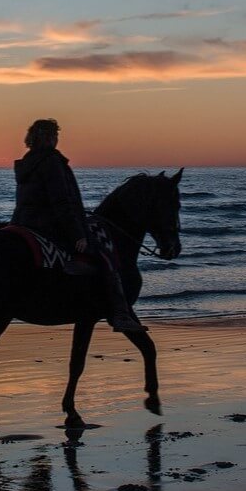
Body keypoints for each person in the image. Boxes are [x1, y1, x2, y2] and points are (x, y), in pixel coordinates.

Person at [10, 119, 146, 332]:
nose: (57, 139)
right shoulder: (52, 161)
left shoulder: (27, 162)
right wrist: (77, 235)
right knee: (104, 251)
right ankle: (119, 312)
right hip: (49, 223)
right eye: (55, 135)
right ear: (49, 137)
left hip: (25, 221)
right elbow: (61, 201)